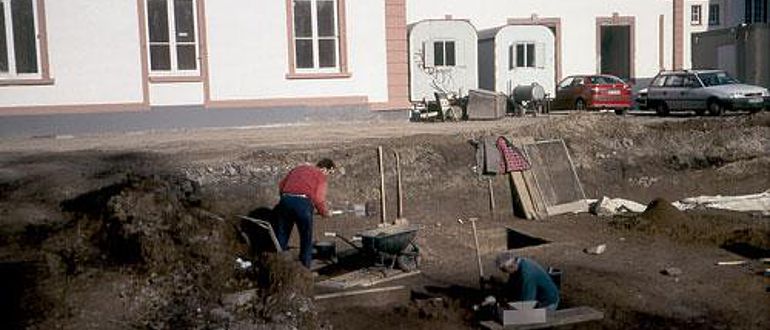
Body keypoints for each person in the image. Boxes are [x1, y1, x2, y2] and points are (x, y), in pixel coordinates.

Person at [272, 158, 335, 268]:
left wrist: (288, 199)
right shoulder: (320, 176)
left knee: (282, 236)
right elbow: (319, 199)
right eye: (329, 173)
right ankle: (305, 269)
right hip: (303, 204)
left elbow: (281, 185)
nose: (328, 176)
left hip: (285, 201)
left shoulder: (298, 168)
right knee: (306, 239)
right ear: (324, 169)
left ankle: (277, 266)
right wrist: (325, 213)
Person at [495, 252, 560, 311]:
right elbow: (511, 285)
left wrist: (510, 308)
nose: (504, 273)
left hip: (547, 302)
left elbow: (528, 303)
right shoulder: (517, 265)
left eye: (504, 270)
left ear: (512, 266)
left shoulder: (527, 275)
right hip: (537, 297)